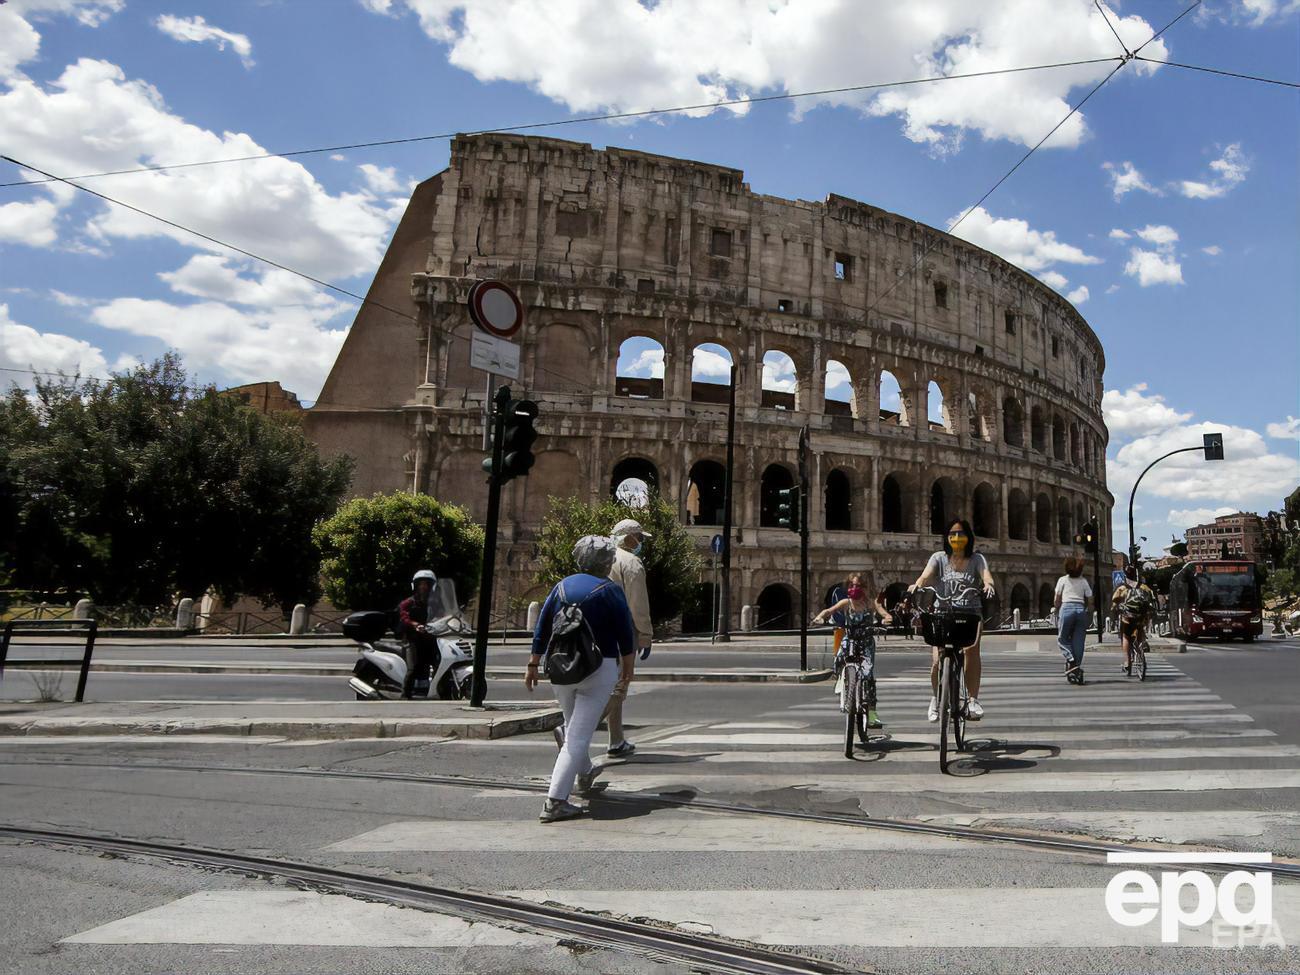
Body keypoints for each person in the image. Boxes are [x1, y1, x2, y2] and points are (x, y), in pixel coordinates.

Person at [526, 535, 635, 824]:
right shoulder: (610, 590)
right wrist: (628, 669)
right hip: (599, 669)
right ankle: (555, 801)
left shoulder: (561, 586)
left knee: (575, 729)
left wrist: (533, 663)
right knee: (577, 737)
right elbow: (626, 635)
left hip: (561, 669)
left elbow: (542, 627)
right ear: (606, 562)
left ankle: (585, 771)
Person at [908, 519, 996, 722]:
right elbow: (925, 576)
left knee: (970, 651)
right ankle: (936, 698)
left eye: (961, 534)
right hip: (942, 614)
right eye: (952, 534)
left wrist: (988, 585)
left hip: (970, 613)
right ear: (946, 538)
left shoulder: (977, 559)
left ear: (968, 537)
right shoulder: (938, 558)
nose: (957, 538)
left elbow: (986, 576)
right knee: (938, 660)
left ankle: (973, 699)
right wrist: (918, 584)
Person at [602, 518, 654, 759]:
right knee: (620, 686)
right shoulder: (631, 562)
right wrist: (645, 635)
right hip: (622, 631)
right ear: (628, 538)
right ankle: (572, 730)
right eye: (639, 537)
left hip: (597, 628)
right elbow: (637, 604)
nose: (641, 542)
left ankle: (616, 740)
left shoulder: (602, 557)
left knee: (608, 686)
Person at [813, 572, 891, 728]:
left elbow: (884, 613)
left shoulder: (871, 603)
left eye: (858, 585)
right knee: (838, 660)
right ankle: (845, 681)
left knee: (868, 677)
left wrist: (887, 619)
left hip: (866, 642)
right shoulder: (846, 603)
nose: (855, 588)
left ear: (865, 588)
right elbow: (829, 611)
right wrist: (820, 618)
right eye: (852, 585)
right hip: (850, 639)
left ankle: (872, 713)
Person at [397, 569, 439, 699]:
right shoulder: (408, 603)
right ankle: (405, 694)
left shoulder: (435, 603)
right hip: (412, 639)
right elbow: (404, 617)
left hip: (429, 638)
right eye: (421, 584)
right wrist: (414, 625)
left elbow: (442, 615)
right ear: (415, 585)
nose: (423, 587)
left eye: (426, 584)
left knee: (438, 662)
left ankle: (439, 690)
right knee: (413, 667)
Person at [1111, 564, 1155, 675]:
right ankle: (1142, 642)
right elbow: (1151, 598)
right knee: (1140, 628)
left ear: (1125, 575)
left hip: (1128, 618)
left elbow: (1114, 602)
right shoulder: (1143, 587)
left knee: (1125, 637)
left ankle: (1127, 663)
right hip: (1140, 617)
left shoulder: (1122, 588)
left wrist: (1114, 609)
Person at [1054, 556, 1093, 678]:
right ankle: (1077, 665)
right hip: (1080, 609)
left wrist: (1056, 608)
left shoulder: (1062, 580)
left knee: (1063, 639)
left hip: (1067, 609)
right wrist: (1089, 610)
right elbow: (1090, 598)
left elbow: (1057, 598)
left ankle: (1070, 659)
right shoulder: (1083, 581)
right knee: (1079, 641)